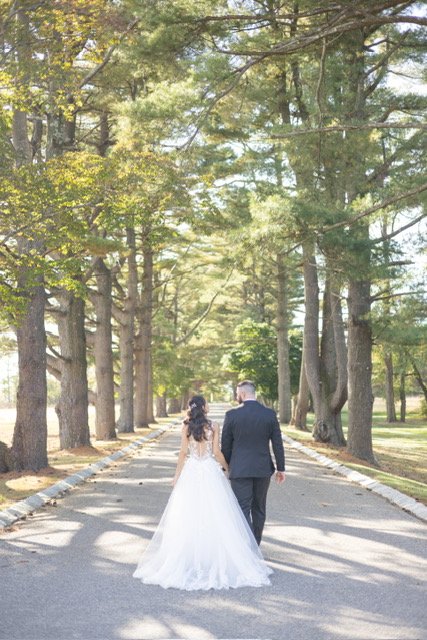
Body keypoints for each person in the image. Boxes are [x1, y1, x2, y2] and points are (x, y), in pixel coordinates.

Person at [133, 395, 272, 591]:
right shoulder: (213, 425)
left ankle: (189, 557)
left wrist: (176, 476)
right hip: (209, 471)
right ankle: (214, 556)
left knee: (188, 515)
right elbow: (216, 452)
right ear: (205, 407)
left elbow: (183, 453)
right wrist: (227, 468)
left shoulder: (186, 427)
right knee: (215, 514)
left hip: (191, 471)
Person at [221, 380, 285, 545]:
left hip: (239, 469)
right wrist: (281, 468)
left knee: (242, 508)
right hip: (262, 469)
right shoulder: (269, 414)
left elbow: (226, 446)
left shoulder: (232, 415)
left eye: (237, 394)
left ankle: (246, 547)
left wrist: (226, 466)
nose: (237, 397)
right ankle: (255, 544)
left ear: (242, 394)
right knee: (259, 508)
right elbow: (277, 443)